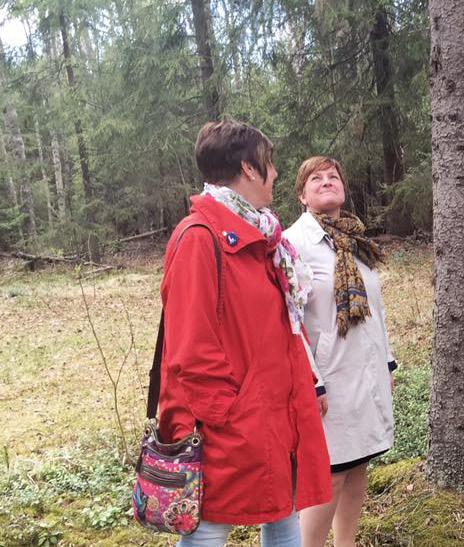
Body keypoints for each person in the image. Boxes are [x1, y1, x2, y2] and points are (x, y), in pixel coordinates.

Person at [158, 120, 333, 546]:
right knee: (209, 529)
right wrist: (231, 415)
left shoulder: (263, 239)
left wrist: (302, 385)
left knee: (284, 513)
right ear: (248, 169)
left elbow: (278, 328)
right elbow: (190, 350)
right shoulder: (199, 239)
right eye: (269, 164)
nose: (274, 173)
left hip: (273, 415)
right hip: (228, 426)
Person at [284, 156, 397, 547]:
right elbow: (288, 321)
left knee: (359, 461)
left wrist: (387, 363)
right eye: (316, 178)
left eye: (333, 176)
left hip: (364, 370)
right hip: (326, 380)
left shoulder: (355, 240)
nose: (327, 181)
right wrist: (310, 382)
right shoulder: (293, 244)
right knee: (328, 471)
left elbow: (375, 308)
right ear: (302, 195)